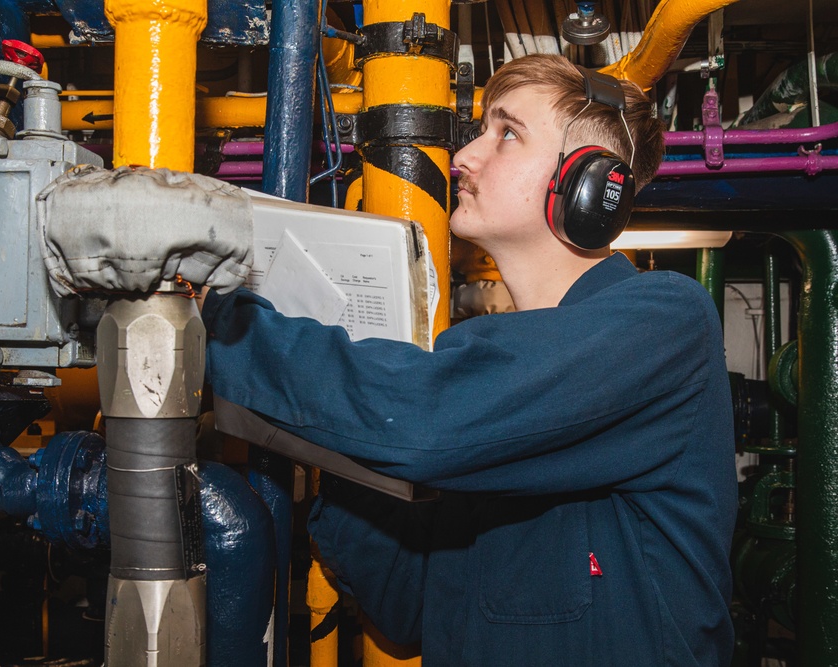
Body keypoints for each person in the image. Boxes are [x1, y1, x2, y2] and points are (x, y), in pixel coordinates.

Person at [202, 53, 736, 666]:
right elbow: (404, 608)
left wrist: (217, 325)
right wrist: (343, 445)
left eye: (507, 133)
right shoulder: (487, 394)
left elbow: (425, 421)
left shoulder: (665, 322)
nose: (463, 157)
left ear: (589, 184)